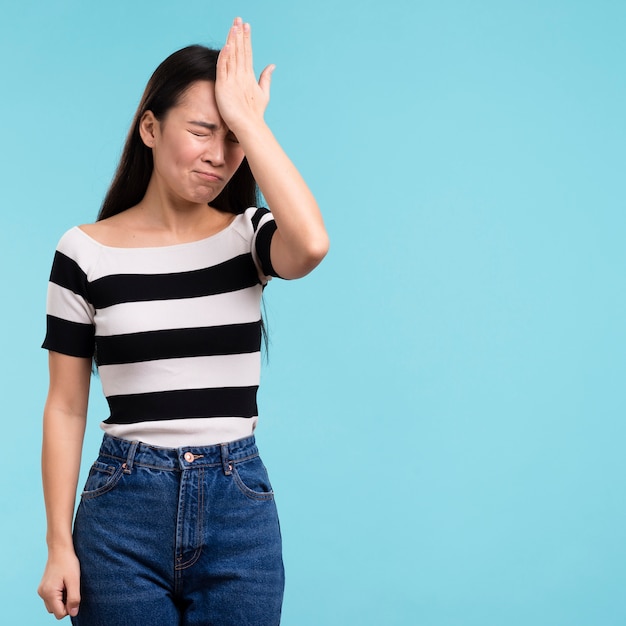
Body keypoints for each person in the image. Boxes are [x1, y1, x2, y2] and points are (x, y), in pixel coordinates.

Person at [37, 17, 328, 626]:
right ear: (150, 127)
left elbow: (312, 244)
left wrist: (251, 120)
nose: (219, 156)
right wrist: (58, 546)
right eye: (202, 131)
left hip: (238, 508)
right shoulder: (83, 254)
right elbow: (66, 405)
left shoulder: (249, 236)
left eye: (234, 140)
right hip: (122, 513)